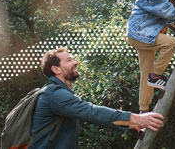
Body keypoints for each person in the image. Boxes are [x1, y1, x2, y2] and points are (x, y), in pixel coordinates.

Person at [29, 47, 163, 149]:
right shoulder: (55, 95)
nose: (75, 62)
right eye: (69, 60)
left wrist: (132, 124)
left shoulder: (56, 93)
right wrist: (136, 118)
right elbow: (92, 112)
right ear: (56, 69)